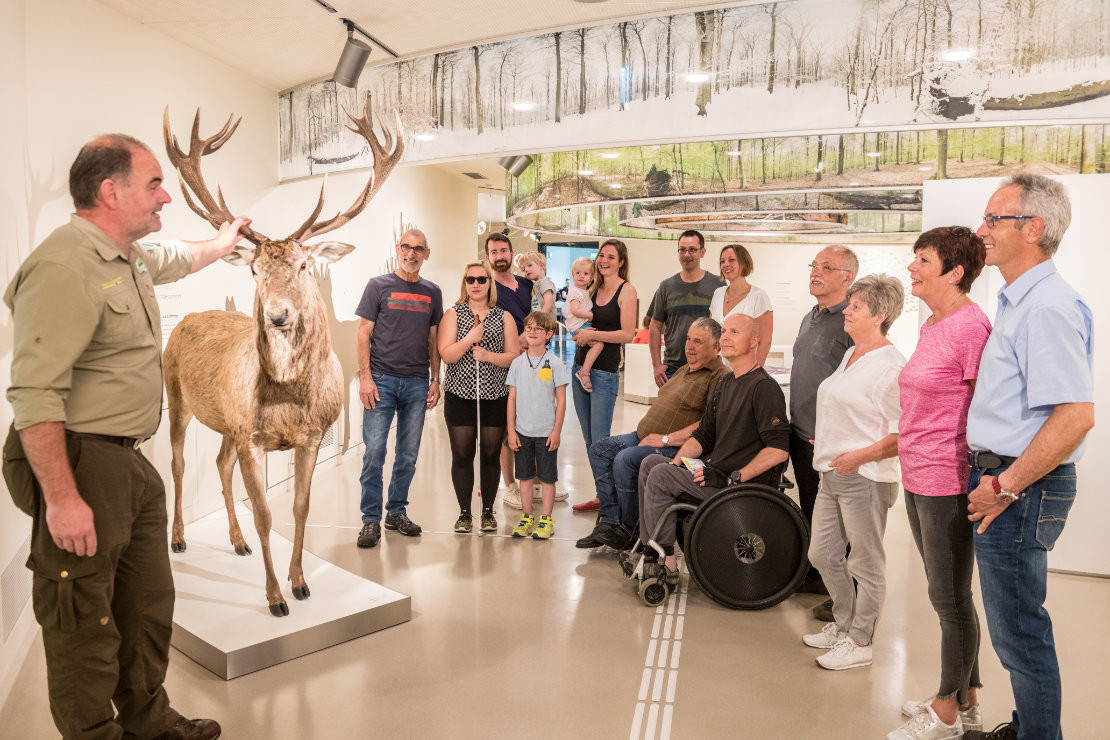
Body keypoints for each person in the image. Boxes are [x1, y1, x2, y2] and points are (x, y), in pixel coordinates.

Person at [2, 133, 250, 739]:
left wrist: (223, 243)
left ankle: (149, 721)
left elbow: (177, 257)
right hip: (82, 461)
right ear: (110, 191)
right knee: (83, 616)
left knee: (144, 607)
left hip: (130, 462)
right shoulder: (64, 265)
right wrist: (62, 499)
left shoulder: (126, 257)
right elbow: (34, 397)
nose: (166, 197)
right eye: (154, 184)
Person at [962, 175, 1094, 740]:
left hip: (1020, 488)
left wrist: (1007, 484)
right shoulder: (1021, 301)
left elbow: (1075, 416)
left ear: (1032, 228)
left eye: (993, 219)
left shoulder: (1046, 308)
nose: (980, 230)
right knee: (1015, 627)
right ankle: (1027, 727)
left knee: (1020, 632)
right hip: (1010, 482)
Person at [889, 227, 990, 739]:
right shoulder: (934, 324)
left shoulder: (973, 327)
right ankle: (967, 697)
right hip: (918, 473)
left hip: (949, 480)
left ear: (954, 272)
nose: (912, 267)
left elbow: (986, 408)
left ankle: (948, 709)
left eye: (922, 259)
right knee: (947, 595)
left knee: (948, 599)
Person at [634, 313, 790, 580]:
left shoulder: (764, 388)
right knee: (652, 464)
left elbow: (778, 450)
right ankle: (652, 550)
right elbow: (704, 435)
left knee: (661, 475)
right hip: (713, 474)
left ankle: (666, 563)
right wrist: (675, 466)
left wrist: (734, 477)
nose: (726, 337)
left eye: (735, 332)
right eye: (725, 331)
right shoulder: (726, 383)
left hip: (739, 486)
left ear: (754, 341)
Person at [803, 274, 905, 672]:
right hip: (832, 472)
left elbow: (901, 434)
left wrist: (856, 456)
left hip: (865, 478)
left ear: (879, 314)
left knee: (866, 563)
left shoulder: (893, 367)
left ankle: (861, 639)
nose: (846, 310)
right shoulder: (852, 353)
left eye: (856, 306)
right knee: (822, 554)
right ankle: (844, 624)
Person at [577, 318, 727, 550]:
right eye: (688, 338)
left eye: (698, 341)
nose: (689, 346)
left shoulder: (718, 376)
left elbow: (709, 424)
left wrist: (665, 438)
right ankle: (610, 521)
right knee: (600, 450)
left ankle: (629, 528)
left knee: (625, 459)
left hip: (675, 446)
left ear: (716, 347)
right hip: (643, 436)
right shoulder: (686, 368)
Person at [354, 229, 443, 549]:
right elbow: (363, 333)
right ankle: (369, 520)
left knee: (407, 455)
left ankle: (396, 512)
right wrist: (365, 377)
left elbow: (433, 339)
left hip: (417, 383)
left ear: (426, 254)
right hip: (381, 381)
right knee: (375, 451)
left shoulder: (433, 291)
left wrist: (436, 378)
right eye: (407, 247)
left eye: (419, 249)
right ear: (398, 248)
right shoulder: (377, 286)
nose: (412, 253)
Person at [788, 245, 859, 619]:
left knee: (841, 519)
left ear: (847, 278)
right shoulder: (809, 317)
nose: (816, 272)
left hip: (831, 440)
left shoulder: (853, 320)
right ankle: (819, 578)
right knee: (813, 509)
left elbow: (861, 381)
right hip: (802, 434)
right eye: (814, 264)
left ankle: (848, 595)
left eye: (826, 267)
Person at [438, 262, 519, 534]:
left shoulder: (503, 316)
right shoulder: (453, 313)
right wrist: (469, 339)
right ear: (465, 282)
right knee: (462, 455)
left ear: (489, 283)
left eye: (481, 279)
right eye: (470, 279)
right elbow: (446, 355)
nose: (476, 284)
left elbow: (513, 358)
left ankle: (487, 512)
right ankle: (464, 513)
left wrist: (487, 356)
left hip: (494, 396)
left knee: (489, 454)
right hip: (460, 396)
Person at [569, 240, 638, 512]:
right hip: (580, 367)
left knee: (600, 440)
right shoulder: (593, 288)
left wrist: (592, 335)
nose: (604, 260)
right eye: (601, 255)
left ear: (621, 262)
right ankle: (603, 495)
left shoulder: (627, 290)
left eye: (611, 256)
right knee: (588, 439)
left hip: (605, 372)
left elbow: (627, 334)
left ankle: (612, 500)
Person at [506, 311, 569, 540]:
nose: (532, 332)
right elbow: (511, 399)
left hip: (546, 433)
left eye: (538, 329)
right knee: (524, 477)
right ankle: (526, 517)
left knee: (548, 478)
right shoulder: (517, 363)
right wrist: (511, 430)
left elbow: (561, 400)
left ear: (549, 334)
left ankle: (546, 519)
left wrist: (556, 431)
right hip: (522, 432)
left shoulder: (555, 363)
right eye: (529, 328)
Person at [484, 233, 532, 509]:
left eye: (504, 250)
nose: (500, 256)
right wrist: (516, 341)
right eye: (494, 252)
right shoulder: (487, 287)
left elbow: (541, 315)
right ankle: (510, 486)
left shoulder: (527, 284)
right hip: (504, 366)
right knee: (507, 427)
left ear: (512, 253)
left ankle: (534, 481)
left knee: (535, 422)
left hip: (532, 364)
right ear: (488, 256)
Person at [646, 229, 724, 386]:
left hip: (707, 368)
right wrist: (656, 366)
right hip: (672, 368)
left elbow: (723, 326)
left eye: (692, 250)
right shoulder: (666, 287)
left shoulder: (718, 285)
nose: (687, 254)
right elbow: (654, 326)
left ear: (702, 252)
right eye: (682, 250)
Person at [709, 243, 773, 366]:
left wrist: (753, 374)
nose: (726, 264)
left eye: (731, 260)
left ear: (744, 263)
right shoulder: (718, 293)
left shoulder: (758, 296)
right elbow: (712, 335)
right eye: (722, 261)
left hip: (745, 370)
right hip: (718, 369)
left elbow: (765, 341)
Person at [563, 256, 603, 391]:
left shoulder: (584, 291)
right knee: (599, 344)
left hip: (580, 325)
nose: (581, 276)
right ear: (573, 275)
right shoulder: (575, 291)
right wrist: (591, 315)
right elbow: (575, 310)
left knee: (597, 343)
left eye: (585, 274)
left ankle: (585, 371)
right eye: (578, 273)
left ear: (591, 277)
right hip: (579, 325)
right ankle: (584, 372)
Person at [517, 250, 556, 317]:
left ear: (541, 265)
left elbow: (549, 303)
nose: (526, 270)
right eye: (523, 269)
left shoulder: (545, 282)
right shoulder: (535, 284)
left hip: (546, 321)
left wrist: (539, 319)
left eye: (529, 265)